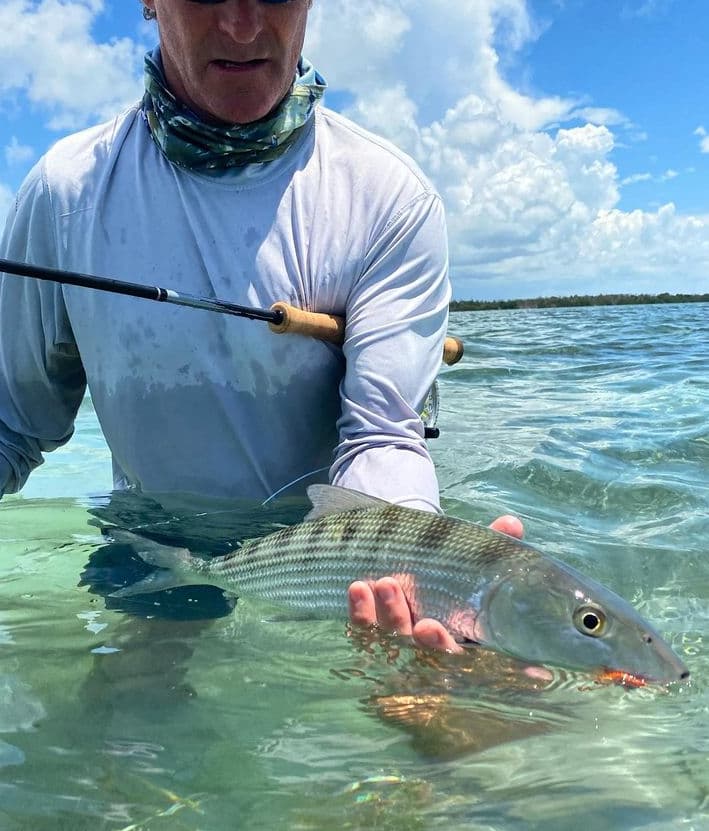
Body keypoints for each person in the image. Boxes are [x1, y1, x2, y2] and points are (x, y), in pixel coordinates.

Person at [0, 0, 522, 648]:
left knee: (455, 730)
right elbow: (10, 424)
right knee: (122, 726)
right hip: (155, 541)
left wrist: (410, 576)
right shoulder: (65, 193)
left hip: (332, 564)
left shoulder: (389, 198)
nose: (243, 25)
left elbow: (382, 435)